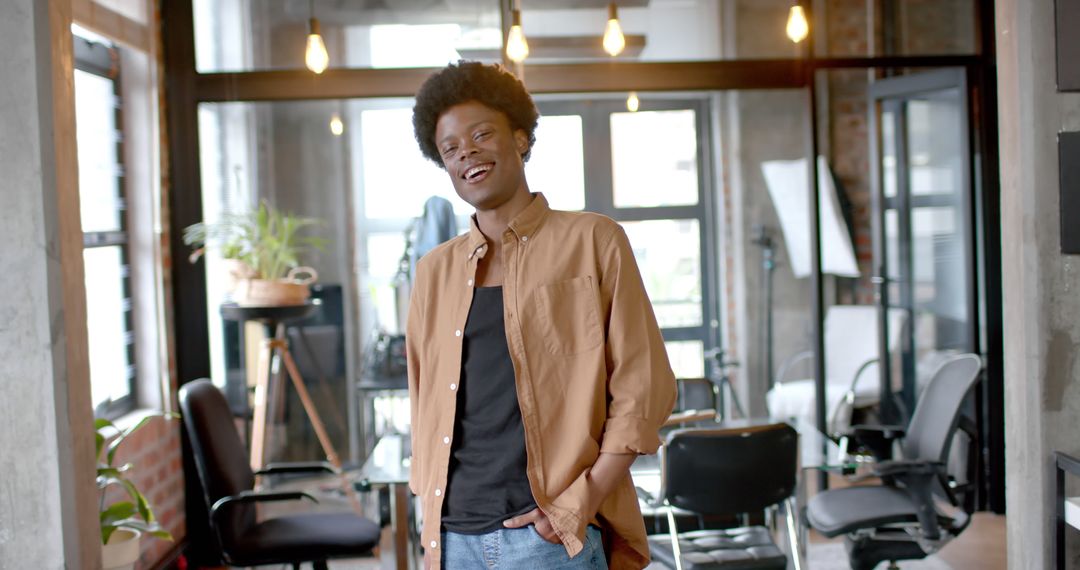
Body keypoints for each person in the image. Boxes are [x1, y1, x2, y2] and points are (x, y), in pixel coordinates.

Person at [406, 61, 677, 570]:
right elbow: (425, 407)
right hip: (452, 540)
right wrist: (430, 528)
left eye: (481, 134)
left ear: (521, 138)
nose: (466, 152)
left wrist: (582, 502)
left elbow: (644, 389)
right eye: (450, 148)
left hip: (550, 539)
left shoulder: (594, 241)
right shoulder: (433, 273)